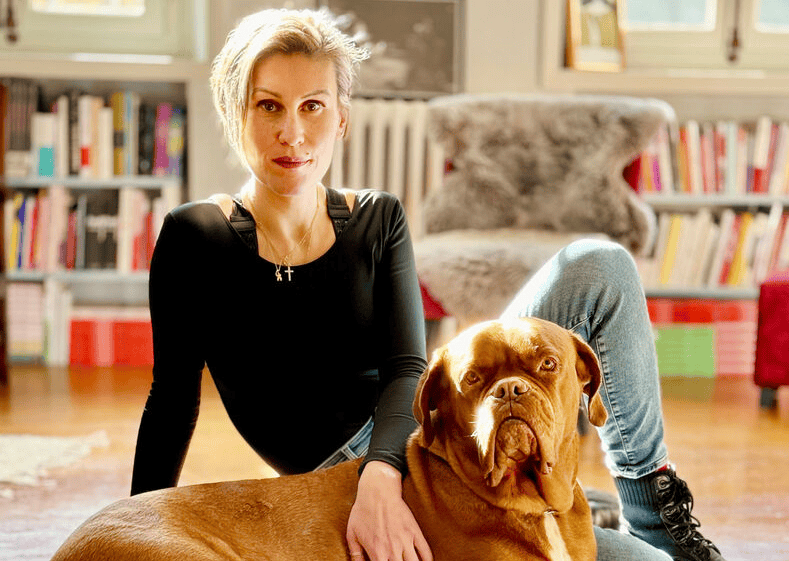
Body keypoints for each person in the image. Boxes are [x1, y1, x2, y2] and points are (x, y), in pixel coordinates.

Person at [129, 7, 726, 561]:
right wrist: (137, 518)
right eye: (268, 106)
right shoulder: (194, 237)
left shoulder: (375, 216)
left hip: (439, 420)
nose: (293, 132)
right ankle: (572, 503)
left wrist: (382, 472)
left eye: (313, 106)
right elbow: (172, 401)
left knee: (599, 264)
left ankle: (652, 510)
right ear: (237, 114)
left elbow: (407, 369)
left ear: (342, 119)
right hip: (349, 476)